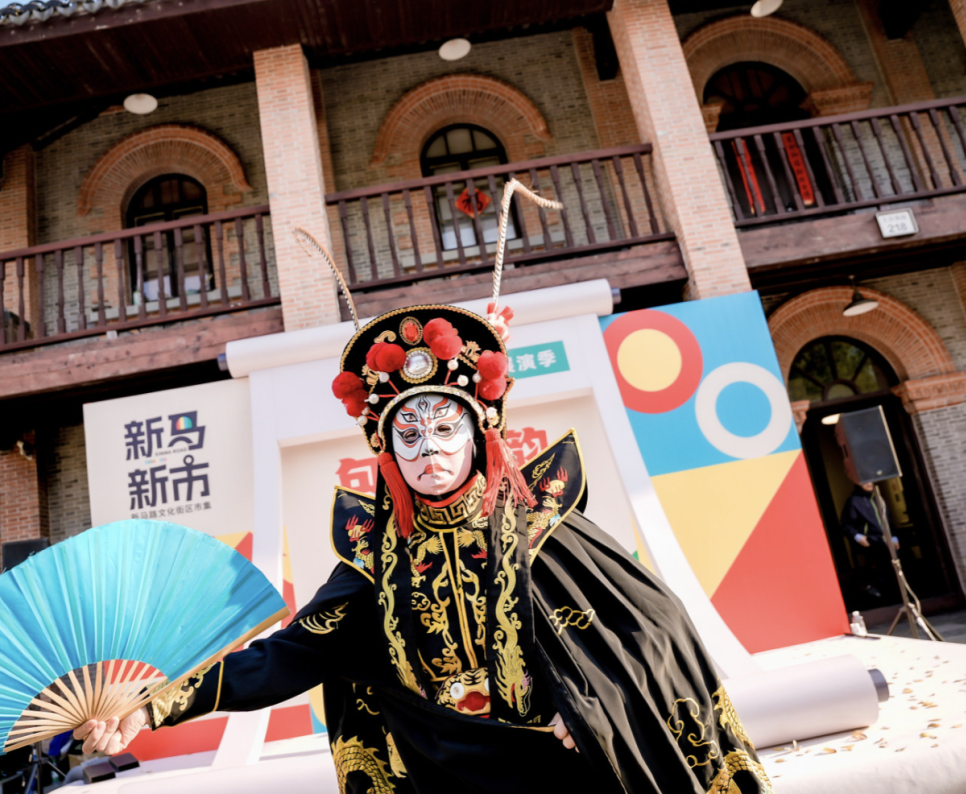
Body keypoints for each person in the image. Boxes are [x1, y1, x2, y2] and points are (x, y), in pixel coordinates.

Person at [74, 185, 772, 793]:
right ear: (386, 453)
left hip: (566, 772)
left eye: (443, 428)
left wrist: (590, 706)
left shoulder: (543, 526)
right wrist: (151, 707)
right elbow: (286, 656)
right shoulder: (374, 561)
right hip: (451, 779)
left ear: (480, 434)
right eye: (406, 435)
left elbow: (655, 632)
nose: (427, 448)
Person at [839, 481, 899, 605]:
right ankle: (883, 602)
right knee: (878, 572)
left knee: (893, 570)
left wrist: (893, 537)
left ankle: (895, 599)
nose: (869, 483)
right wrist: (858, 537)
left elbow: (888, 521)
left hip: (886, 542)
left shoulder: (880, 499)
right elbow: (846, 524)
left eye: (870, 480)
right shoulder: (854, 501)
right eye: (865, 481)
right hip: (871, 542)